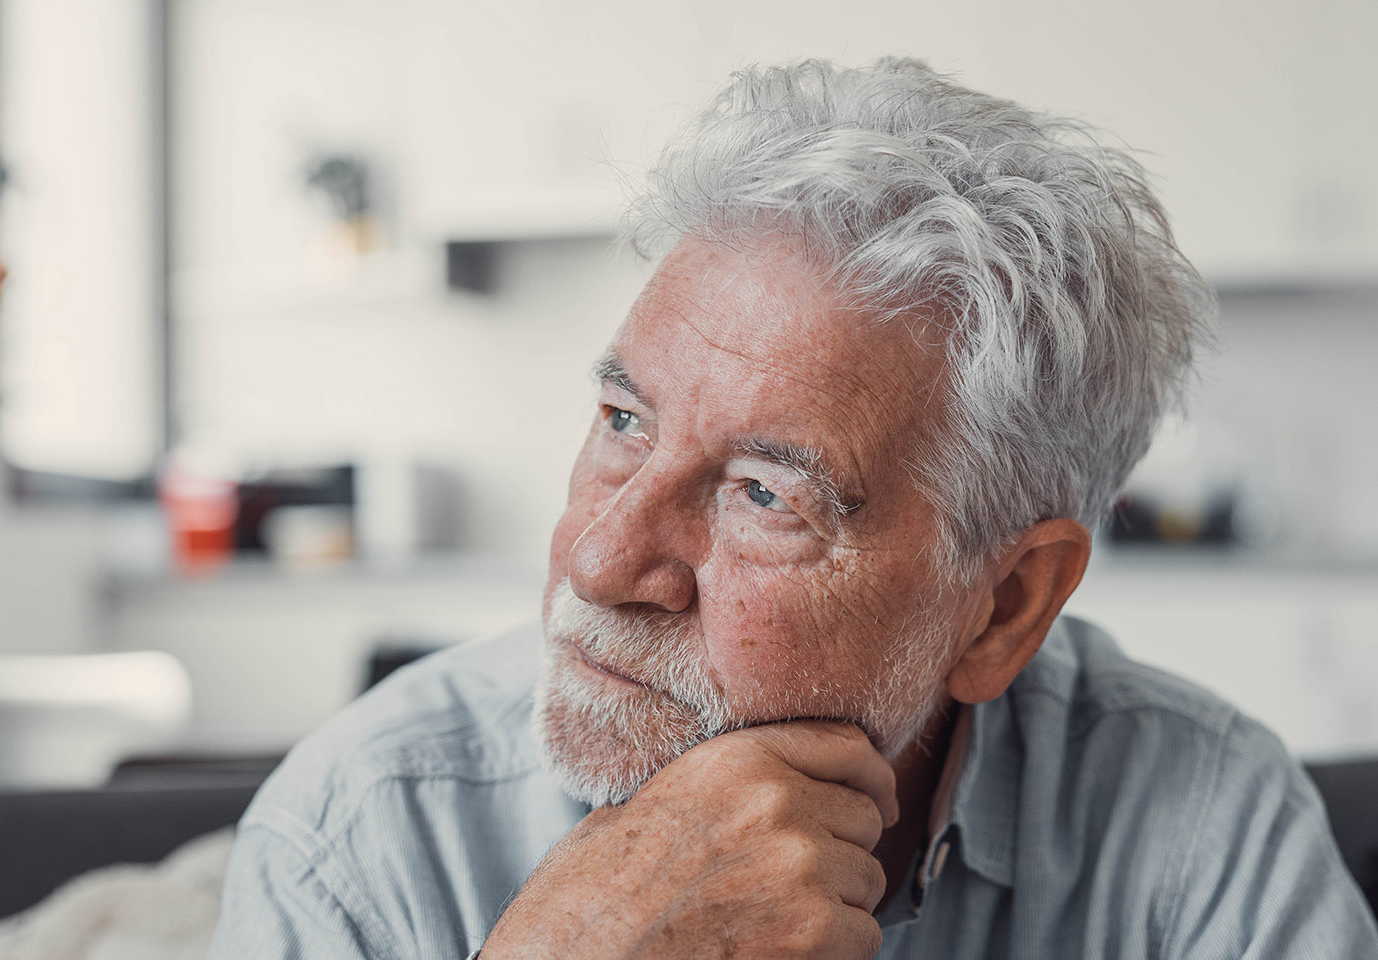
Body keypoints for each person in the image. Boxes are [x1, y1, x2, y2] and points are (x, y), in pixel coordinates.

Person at [208, 58, 1378, 959]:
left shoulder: (1204, 826)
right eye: (624, 422)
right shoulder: (359, 834)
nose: (601, 557)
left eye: (766, 495)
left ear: (1004, 609)